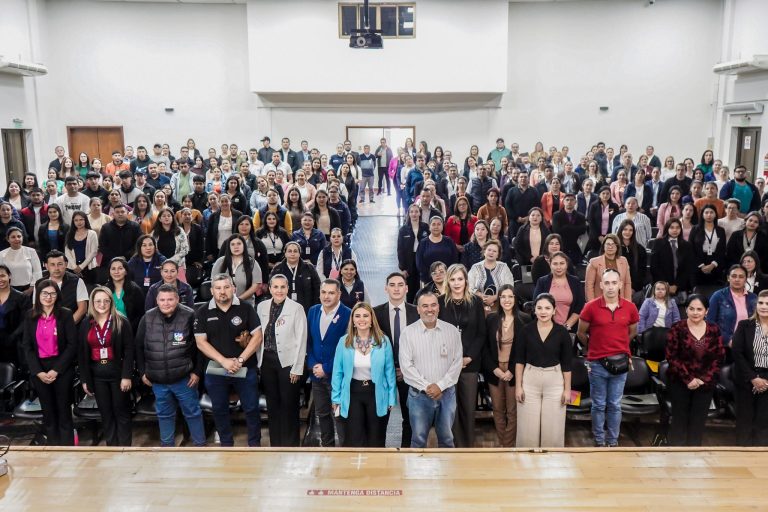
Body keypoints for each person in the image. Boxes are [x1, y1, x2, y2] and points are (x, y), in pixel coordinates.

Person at [193, 274, 262, 447]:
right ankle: (226, 445)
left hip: (245, 368)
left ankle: (254, 445)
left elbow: (257, 337)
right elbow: (201, 342)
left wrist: (240, 359)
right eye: (218, 288)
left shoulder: (246, 308)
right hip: (216, 370)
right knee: (219, 410)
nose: (222, 292)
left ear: (233, 289)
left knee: (252, 409)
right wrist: (224, 361)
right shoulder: (202, 312)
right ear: (211, 291)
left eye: (226, 287)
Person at [136, 284, 205, 447]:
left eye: (170, 299)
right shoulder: (147, 317)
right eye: (162, 300)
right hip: (158, 380)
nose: (166, 303)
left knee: (193, 413)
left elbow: (200, 347)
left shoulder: (189, 315)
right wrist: (142, 372)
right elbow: (138, 346)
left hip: (184, 379)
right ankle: (167, 450)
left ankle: (200, 447)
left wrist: (197, 372)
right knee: (165, 415)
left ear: (177, 299)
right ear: (157, 300)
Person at [577, 268, 639, 447]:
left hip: (621, 363)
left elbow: (633, 331)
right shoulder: (590, 307)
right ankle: (599, 440)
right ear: (601, 285)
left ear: (620, 284)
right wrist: (594, 348)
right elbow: (581, 333)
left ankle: (612, 441)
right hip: (597, 364)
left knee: (614, 404)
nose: (610, 287)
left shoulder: (630, 307)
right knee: (598, 405)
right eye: (607, 283)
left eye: (614, 283)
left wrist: (619, 346)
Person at [399, 291, 463, 448]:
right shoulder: (408, 333)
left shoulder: (452, 331)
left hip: (446, 394)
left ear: (438, 308)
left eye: (433, 305)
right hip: (419, 395)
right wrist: (427, 387)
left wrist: (440, 386)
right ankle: (416, 473)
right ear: (418, 309)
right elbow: (406, 367)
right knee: (418, 440)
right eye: (425, 306)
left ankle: (447, 473)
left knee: (447, 440)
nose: (429, 309)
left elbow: (457, 362)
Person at [331, 302, 396, 447]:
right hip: (352, 393)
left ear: (372, 319)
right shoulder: (344, 342)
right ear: (353, 320)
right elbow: (337, 372)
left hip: (376, 393)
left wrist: (391, 398)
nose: (362, 319)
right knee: (354, 438)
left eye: (366, 315)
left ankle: (375, 468)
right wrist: (335, 398)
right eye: (358, 316)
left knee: (376, 438)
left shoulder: (383, 341)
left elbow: (389, 372)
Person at [21, 279, 77, 445]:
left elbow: (72, 344)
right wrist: (38, 372)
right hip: (40, 370)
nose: (48, 297)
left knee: (64, 412)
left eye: (52, 293)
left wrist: (56, 370)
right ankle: (53, 450)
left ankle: (67, 452)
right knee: (48, 414)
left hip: (62, 369)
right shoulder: (30, 315)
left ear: (57, 295)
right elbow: (27, 346)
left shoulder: (65, 314)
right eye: (45, 293)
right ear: (38, 295)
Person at [664, 294, 724, 446]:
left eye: (699, 309)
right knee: (679, 422)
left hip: (705, 384)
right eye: (691, 309)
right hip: (680, 382)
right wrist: (689, 379)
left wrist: (703, 379)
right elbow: (672, 357)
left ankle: (694, 460)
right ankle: (675, 460)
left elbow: (718, 357)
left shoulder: (714, 329)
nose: (695, 312)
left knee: (698, 424)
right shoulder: (677, 328)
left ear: (707, 311)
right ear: (686, 309)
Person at [77, 286, 134, 446]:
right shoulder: (86, 323)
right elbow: (81, 354)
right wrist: (85, 379)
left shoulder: (121, 321)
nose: (102, 304)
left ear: (111, 302)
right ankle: (112, 448)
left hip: (117, 375)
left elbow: (129, 351)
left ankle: (124, 449)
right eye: (98, 301)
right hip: (97, 376)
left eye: (106, 301)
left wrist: (126, 376)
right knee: (106, 414)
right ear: (92, 303)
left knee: (121, 412)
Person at [437, 264, 486, 447]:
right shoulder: (440, 302)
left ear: (466, 280)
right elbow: (436, 333)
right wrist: (452, 358)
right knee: (449, 409)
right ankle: (451, 446)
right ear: (447, 281)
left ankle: (467, 447)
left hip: (469, 364)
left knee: (467, 407)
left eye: (460, 279)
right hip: (447, 364)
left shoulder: (476, 302)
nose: (456, 283)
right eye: (453, 279)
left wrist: (469, 357)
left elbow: (481, 333)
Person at [515, 293, 572, 447]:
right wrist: (519, 386)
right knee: (527, 433)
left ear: (554, 311)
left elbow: (567, 365)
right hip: (530, 379)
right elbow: (519, 361)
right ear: (534, 310)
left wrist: (567, 390)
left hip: (554, 381)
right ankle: (526, 467)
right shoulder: (525, 331)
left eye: (547, 308)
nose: (543, 311)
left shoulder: (562, 333)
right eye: (539, 308)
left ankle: (551, 468)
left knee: (553, 432)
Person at [256, 274, 307, 447]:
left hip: (288, 362)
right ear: (270, 288)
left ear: (288, 288)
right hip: (267, 361)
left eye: (282, 287)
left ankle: (291, 444)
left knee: (289, 405)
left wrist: (297, 368)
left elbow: (302, 338)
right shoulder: (262, 306)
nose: (279, 290)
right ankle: (275, 444)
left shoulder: (296, 308)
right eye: (275, 287)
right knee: (272, 404)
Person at [373, 272, 419, 447]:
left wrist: (406, 368)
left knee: (410, 417)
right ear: (386, 289)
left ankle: (407, 455)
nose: (396, 288)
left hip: (411, 373)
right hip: (385, 373)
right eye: (392, 285)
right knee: (381, 417)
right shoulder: (376, 313)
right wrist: (390, 367)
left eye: (400, 284)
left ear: (406, 288)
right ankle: (378, 456)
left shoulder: (417, 312)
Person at [307, 279, 352, 447]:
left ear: (339, 294)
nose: (327, 296)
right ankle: (327, 448)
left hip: (337, 376)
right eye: (324, 292)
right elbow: (309, 342)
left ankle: (345, 450)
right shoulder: (312, 311)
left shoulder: (348, 314)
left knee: (339, 415)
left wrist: (326, 368)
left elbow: (348, 348)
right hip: (316, 376)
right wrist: (313, 365)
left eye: (331, 293)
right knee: (322, 414)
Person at [483, 284, 525, 447]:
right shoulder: (491, 319)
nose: (506, 300)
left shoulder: (524, 319)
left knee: (513, 411)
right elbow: (485, 348)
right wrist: (496, 370)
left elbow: (524, 350)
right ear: (498, 299)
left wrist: (512, 371)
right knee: (498, 410)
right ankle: (503, 443)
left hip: (515, 370)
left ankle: (508, 445)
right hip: (495, 370)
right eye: (503, 297)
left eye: (510, 296)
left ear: (515, 299)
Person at [732, 290, 768, 445]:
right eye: (761, 303)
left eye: (767, 304)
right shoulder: (744, 325)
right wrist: (754, 378)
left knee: (763, 423)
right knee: (744, 422)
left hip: (767, 381)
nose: (764, 306)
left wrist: (765, 381)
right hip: (746, 379)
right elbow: (737, 353)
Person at [706, 265, 757, 346]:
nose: (737, 279)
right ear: (728, 278)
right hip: (724, 345)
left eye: (741, 277)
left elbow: (759, 322)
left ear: (745, 279)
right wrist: (727, 340)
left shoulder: (753, 298)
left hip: (749, 344)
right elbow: (709, 322)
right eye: (734, 276)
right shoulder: (718, 296)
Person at [533, 252, 585, 331]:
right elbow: (536, 304)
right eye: (555, 264)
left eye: (562, 263)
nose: (559, 267)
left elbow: (579, 306)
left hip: (570, 327)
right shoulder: (542, 281)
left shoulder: (575, 281)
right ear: (550, 265)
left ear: (566, 264)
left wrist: (566, 326)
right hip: (546, 327)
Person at [270, 241, 320, 313]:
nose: (292, 254)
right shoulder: (278, 269)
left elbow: (317, 289)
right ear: (285, 253)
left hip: (306, 309)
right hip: (283, 309)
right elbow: (271, 289)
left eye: (295, 251)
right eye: (289, 251)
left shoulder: (309, 268)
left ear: (299, 253)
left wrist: (314, 308)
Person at [650, 219, 694, 298]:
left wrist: (676, 285)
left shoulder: (687, 246)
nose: (675, 230)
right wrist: (666, 285)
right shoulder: (658, 243)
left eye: (677, 228)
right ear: (667, 229)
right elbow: (654, 267)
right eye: (672, 227)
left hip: (681, 287)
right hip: (661, 286)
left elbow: (688, 268)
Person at [468, 239, 514, 313]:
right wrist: (480, 295)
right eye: (489, 250)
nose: (491, 253)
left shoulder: (504, 267)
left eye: (494, 251)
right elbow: (468, 286)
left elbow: (510, 286)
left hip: (500, 304)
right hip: (478, 303)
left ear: (498, 255)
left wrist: (494, 297)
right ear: (484, 251)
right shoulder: (475, 267)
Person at [584, 234, 632, 301]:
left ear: (617, 247)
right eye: (608, 244)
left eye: (613, 244)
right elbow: (589, 286)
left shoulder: (624, 261)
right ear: (603, 246)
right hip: (600, 303)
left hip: (620, 302)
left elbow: (627, 284)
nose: (610, 247)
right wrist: (592, 305)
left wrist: (628, 303)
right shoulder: (594, 262)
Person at [689, 204, 727, 287]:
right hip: (698, 264)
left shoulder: (720, 230)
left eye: (711, 212)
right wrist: (701, 265)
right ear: (702, 215)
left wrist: (713, 264)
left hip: (715, 265)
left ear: (715, 214)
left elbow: (722, 250)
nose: (709, 215)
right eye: (706, 212)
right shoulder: (695, 229)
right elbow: (691, 249)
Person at [398, 204, 429, 304]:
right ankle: (411, 308)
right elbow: (400, 250)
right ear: (409, 214)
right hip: (409, 261)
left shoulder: (425, 227)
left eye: (416, 211)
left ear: (420, 213)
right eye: (412, 212)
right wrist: (402, 268)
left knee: (424, 287)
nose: (414, 214)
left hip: (423, 260)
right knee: (411, 289)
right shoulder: (403, 230)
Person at [98, 204, 142, 273]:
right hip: (110, 262)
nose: (120, 214)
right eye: (117, 212)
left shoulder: (135, 227)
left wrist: (126, 256)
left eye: (122, 212)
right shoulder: (106, 228)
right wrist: (115, 258)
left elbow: (139, 244)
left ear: (127, 213)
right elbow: (102, 246)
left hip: (131, 261)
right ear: (113, 214)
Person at [0, 265, 29, 366]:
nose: (0, 279)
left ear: (9, 276)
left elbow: (26, 321)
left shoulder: (22, 297)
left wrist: (12, 337)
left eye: (2, 276)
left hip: (13, 341)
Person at [416, 216, 458, 284]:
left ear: (442, 226)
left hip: (447, 279)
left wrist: (445, 274)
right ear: (429, 227)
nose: (436, 226)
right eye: (433, 224)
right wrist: (433, 275)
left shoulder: (449, 241)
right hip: (428, 280)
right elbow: (419, 263)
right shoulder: (423, 243)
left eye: (439, 224)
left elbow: (455, 260)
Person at [0, 227, 42, 293]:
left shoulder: (31, 251)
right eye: (13, 237)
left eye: (19, 236)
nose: (17, 239)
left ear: (22, 237)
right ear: (8, 239)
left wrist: (31, 289)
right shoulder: (2, 254)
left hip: (29, 289)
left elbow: (37, 272)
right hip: (9, 289)